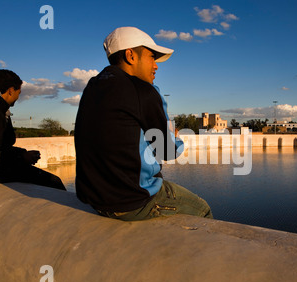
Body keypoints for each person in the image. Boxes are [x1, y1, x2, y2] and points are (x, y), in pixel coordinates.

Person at [74, 26, 212, 221]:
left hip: (95, 200)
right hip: (131, 202)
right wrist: (176, 136)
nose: (155, 66)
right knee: (202, 209)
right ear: (131, 56)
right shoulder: (142, 92)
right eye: (151, 57)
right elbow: (167, 151)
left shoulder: (93, 87)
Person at [0, 69, 66, 190]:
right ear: (11, 91)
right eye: (19, 92)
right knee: (54, 182)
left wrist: (22, 153)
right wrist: (22, 157)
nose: (18, 97)